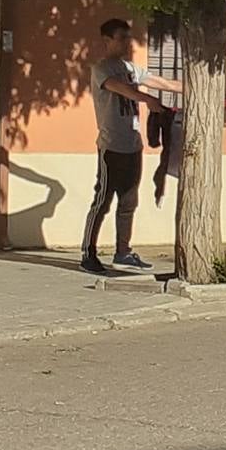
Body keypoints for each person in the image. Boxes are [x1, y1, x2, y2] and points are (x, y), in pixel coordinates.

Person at [80, 18, 183, 275]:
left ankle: (123, 252)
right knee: (102, 201)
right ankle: (88, 253)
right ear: (107, 41)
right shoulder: (102, 69)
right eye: (121, 37)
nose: (127, 42)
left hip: (132, 147)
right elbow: (124, 90)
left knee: (129, 202)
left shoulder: (129, 67)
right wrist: (148, 99)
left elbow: (160, 82)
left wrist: (194, 89)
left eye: (128, 37)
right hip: (111, 148)